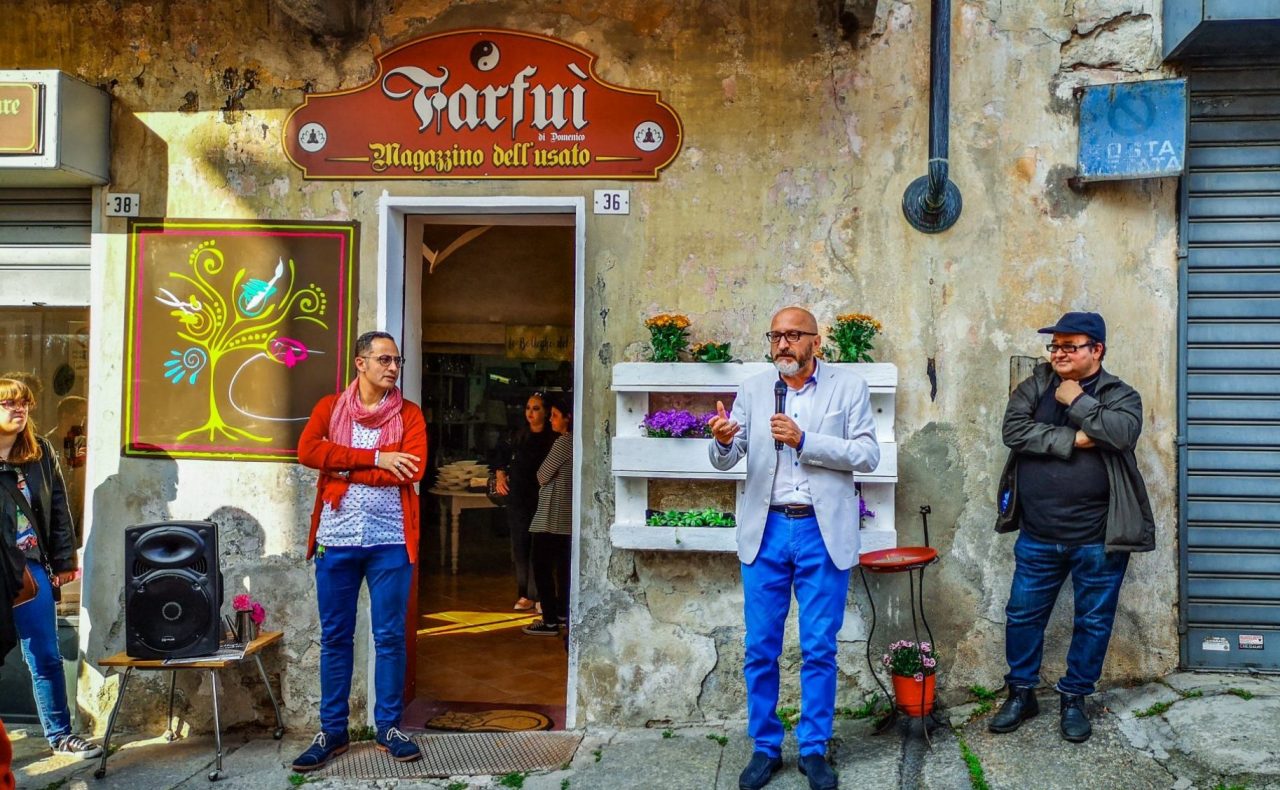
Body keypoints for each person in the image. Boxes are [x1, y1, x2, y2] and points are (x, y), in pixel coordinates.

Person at [708, 307, 880, 790]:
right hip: (765, 532)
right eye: (776, 335)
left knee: (819, 647)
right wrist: (721, 441)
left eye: (793, 335)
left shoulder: (849, 387)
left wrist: (806, 441)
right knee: (759, 647)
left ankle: (813, 748)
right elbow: (728, 457)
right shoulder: (754, 389)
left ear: (815, 341)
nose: (783, 344)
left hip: (820, 532)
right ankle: (765, 747)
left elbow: (867, 454)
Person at [989, 312, 1154, 743]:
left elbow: (1120, 432)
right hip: (1039, 534)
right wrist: (1077, 438)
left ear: (1096, 350)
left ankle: (1075, 697)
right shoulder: (1035, 385)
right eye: (1055, 346)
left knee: (1094, 621)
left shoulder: (1121, 394)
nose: (1058, 353)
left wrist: (1076, 402)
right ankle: (1021, 693)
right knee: (1023, 616)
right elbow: (1014, 431)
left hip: (1099, 536)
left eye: (1069, 346)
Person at [292, 332, 428, 772]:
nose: (393, 367)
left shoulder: (409, 415)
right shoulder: (329, 409)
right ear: (360, 363)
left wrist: (347, 466)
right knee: (335, 638)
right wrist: (376, 457)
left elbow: (412, 469)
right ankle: (333, 731)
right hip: (337, 538)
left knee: (389, 637)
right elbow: (309, 451)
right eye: (384, 359)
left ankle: (388, 726)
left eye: (397, 360)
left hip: (390, 541)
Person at [0, 378, 101, 759]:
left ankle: (60, 735)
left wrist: (63, 561)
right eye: (9, 403)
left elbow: (58, 505)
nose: (18, 409)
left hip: (29, 570)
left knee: (44, 653)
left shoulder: (39, 452)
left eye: (24, 403)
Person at [492, 393, 556, 611]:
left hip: (543, 498)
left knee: (540, 547)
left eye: (536, 408)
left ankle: (539, 595)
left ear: (546, 412)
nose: (530, 412)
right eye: (528, 408)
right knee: (520, 546)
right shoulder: (518, 435)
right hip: (519, 497)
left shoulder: (553, 438)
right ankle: (524, 593)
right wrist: (500, 475)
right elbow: (500, 457)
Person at [522, 394, 573, 637]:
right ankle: (561, 614)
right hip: (565, 515)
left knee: (541, 566)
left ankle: (550, 619)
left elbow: (542, 474)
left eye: (554, 415)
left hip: (551, 514)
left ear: (567, 418)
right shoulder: (576, 442)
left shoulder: (564, 442)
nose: (551, 420)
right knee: (563, 568)